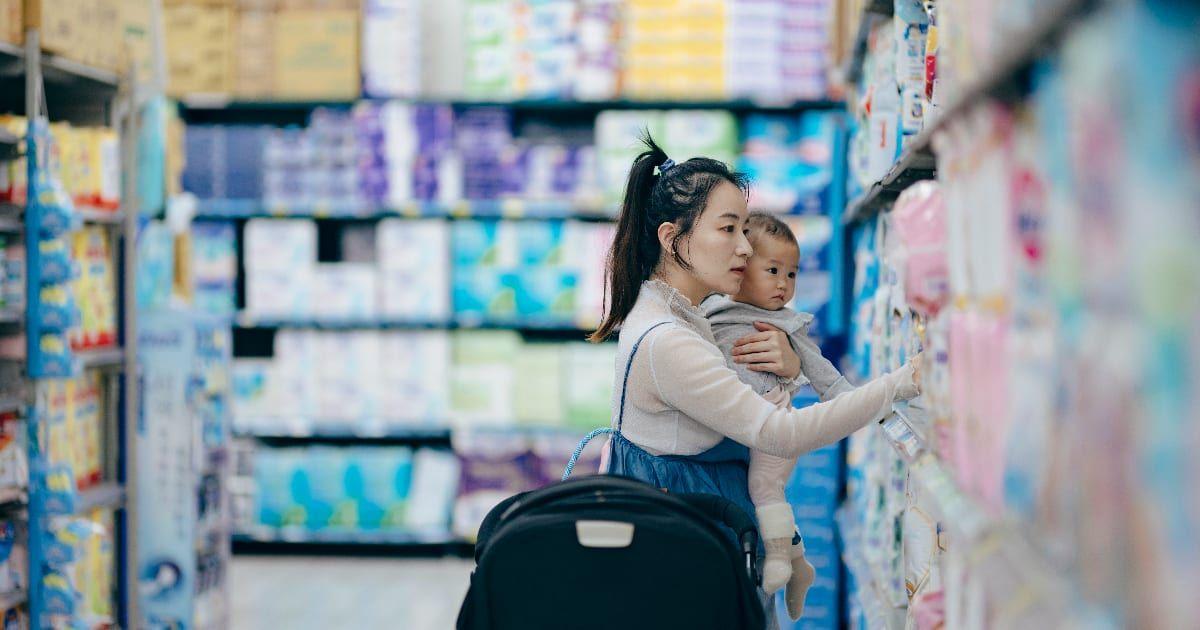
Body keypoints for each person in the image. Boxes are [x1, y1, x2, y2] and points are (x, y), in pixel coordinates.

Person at [588, 135, 920, 627]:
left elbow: (731, 396)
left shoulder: (684, 315)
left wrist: (787, 367)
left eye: (745, 228)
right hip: (687, 555)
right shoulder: (667, 340)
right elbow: (781, 434)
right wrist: (900, 383)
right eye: (728, 229)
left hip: (696, 539)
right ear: (670, 237)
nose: (745, 247)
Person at [701, 212, 917, 620]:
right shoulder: (709, 310)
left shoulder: (787, 326)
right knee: (762, 496)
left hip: (774, 422)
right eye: (772, 271)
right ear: (740, 266)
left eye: (792, 274)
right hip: (736, 431)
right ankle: (800, 567)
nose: (784, 284)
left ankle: (779, 563)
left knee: (765, 487)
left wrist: (855, 402)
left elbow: (824, 375)